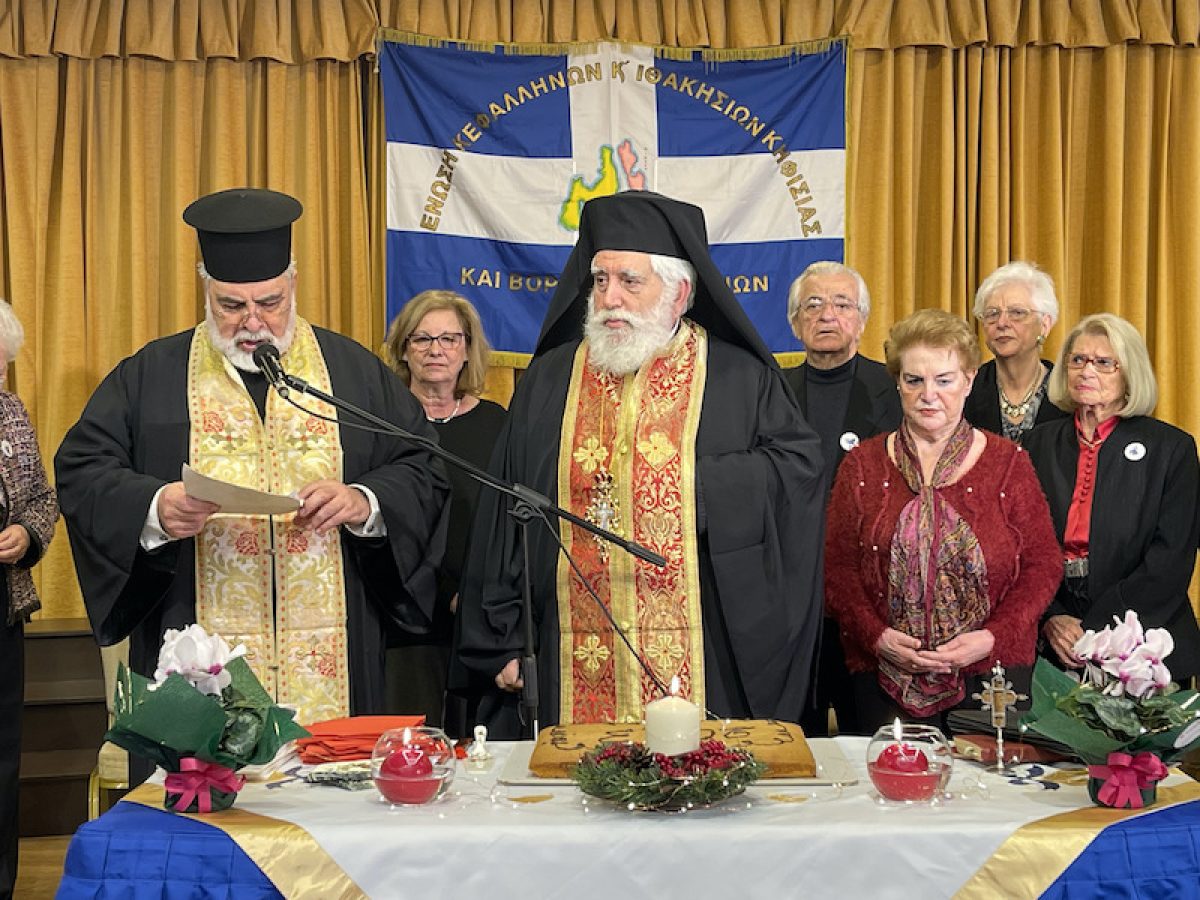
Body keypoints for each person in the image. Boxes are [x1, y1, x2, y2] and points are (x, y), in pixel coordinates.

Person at [54, 188, 449, 742]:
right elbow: (81, 468)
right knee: (209, 813)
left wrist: (365, 501)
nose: (253, 322)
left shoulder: (351, 372)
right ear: (206, 290)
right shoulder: (151, 376)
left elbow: (423, 465)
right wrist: (154, 509)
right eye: (231, 305)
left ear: (293, 283)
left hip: (333, 650)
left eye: (270, 302)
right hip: (192, 631)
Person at [455, 191, 826, 738]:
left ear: (679, 292)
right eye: (600, 280)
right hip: (569, 649)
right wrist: (502, 638)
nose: (610, 298)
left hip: (704, 647)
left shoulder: (739, 378)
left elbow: (796, 471)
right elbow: (506, 515)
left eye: (631, 281)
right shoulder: (552, 379)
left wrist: (687, 488)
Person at [825, 309, 1061, 731]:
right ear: (897, 382)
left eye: (944, 380)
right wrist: (877, 637)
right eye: (914, 380)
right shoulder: (862, 464)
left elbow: (1043, 566)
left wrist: (992, 637)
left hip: (991, 678)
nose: (928, 394)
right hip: (882, 678)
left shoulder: (1009, 463)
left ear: (969, 380)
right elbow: (837, 569)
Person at [1024, 313, 1200, 681]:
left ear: (1128, 374)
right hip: (1057, 641)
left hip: (1146, 643)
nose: (1087, 371)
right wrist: (1051, 616)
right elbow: (1022, 544)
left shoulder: (1171, 448)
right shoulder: (1037, 443)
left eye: (1104, 362)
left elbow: (1171, 559)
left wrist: (1097, 629)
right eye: (1078, 359)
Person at [783, 261, 900, 736]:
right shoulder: (771, 391)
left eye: (841, 304)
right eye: (813, 304)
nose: (827, 314)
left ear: (862, 319)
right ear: (794, 322)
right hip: (794, 598)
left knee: (870, 735)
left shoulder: (895, 389)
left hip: (871, 600)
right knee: (795, 737)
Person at [381, 290, 506, 734]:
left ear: (467, 349)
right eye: (422, 339)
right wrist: (444, 592)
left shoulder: (497, 424)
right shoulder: (382, 423)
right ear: (403, 349)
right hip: (406, 618)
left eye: (450, 339)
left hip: (481, 621)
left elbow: (507, 523)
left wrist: (479, 603)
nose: (436, 350)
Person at [0, 299, 58, 900]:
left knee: (3, 762)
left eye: (1, 368)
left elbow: (42, 497)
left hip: (4, 610)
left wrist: (28, 535)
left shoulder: (11, 413)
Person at [964, 261, 1069, 443]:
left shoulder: (1067, 392)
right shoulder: (967, 388)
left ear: (1044, 325)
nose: (1002, 323)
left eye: (1017, 313)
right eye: (992, 314)